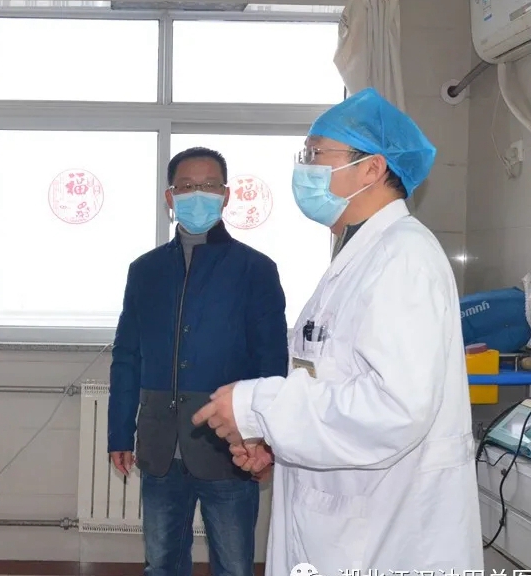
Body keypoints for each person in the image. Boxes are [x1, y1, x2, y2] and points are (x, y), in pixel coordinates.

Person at [192, 88, 483, 574]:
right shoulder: (362, 254)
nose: (304, 169)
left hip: (382, 530)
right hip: (341, 514)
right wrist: (272, 439)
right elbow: (328, 378)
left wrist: (258, 407)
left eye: (316, 154)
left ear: (372, 168)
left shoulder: (403, 257)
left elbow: (396, 408)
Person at [108, 147, 289, 576]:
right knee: (162, 563)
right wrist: (119, 432)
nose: (197, 194)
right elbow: (127, 355)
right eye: (187, 186)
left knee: (234, 564)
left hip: (229, 445)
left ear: (225, 195)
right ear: (170, 197)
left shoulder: (255, 269)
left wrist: (262, 438)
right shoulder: (145, 270)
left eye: (208, 186)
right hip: (159, 444)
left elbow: (271, 362)